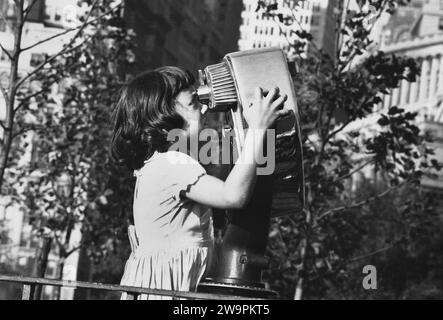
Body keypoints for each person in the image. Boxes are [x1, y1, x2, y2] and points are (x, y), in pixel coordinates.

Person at [111, 66, 288, 300]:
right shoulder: (172, 163)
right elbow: (233, 195)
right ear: (163, 119)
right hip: (169, 292)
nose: (205, 107)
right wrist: (258, 129)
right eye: (194, 102)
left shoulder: (155, 165)